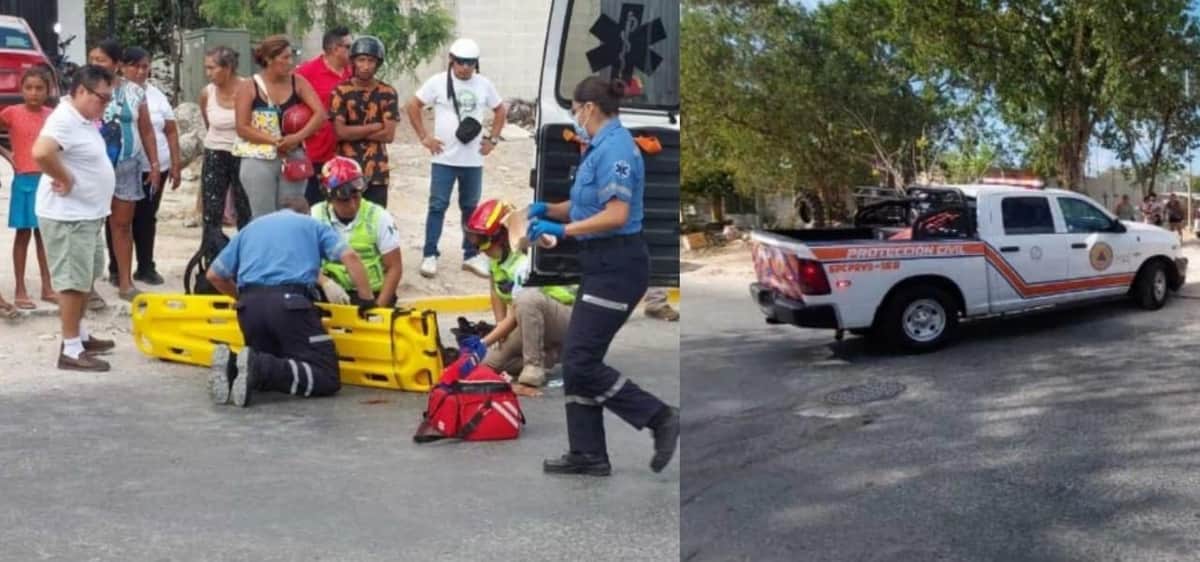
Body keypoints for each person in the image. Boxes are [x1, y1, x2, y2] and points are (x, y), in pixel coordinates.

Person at [525, 77, 679, 476]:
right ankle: (588, 452)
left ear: (589, 108)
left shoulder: (616, 150)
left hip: (618, 266)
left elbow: (615, 215)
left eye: (575, 109)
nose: (574, 116)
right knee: (582, 356)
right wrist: (546, 210)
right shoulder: (599, 147)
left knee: (578, 360)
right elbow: (583, 206)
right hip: (601, 265)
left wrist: (562, 232)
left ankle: (659, 417)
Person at [205, 197, 376, 407]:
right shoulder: (312, 224)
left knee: (275, 364)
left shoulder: (250, 229)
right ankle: (257, 365)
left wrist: (240, 298)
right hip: (290, 304)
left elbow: (214, 275)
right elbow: (350, 257)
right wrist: (367, 299)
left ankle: (232, 366)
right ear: (305, 213)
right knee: (325, 375)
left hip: (249, 309)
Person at [31, 64, 119, 371]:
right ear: (82, 91)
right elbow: (41, 152)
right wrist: (65, 178)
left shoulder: (83, 117)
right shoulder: (65, 119)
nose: (106, 104)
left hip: (87, 213)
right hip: (69, 216)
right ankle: (70, 348)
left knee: (83, 277)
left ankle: (79, 336)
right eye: (103, 98)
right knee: (71, 282)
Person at [405, 38, 507, 279]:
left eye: (470, 62)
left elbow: (501, 110)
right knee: (437, 206)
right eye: (461, 62)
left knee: (470, 208)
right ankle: (430, 254)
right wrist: (424, 137)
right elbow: (412, 105)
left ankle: (470, 254)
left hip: (472, 160)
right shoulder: (438, 82)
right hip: (444, 158)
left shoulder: (484, 84)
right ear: (451, 59)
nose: (465, 67)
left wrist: (492, 140)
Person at [463, 199, 576, 398]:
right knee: (491, 365)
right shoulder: (497, 261)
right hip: (534, 320)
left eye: (481, 239)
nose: (477, 247)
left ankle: (534, 368)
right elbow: (496, 294)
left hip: (567, 319)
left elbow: (515, 315)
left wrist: (483, 342)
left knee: (527, 299)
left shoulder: (522, 264)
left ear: (500, 237)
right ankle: (548, 355)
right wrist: (499, 333)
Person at [104, 47, 181, 286]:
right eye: (134, 66)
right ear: (122, 67)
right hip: (123, 165)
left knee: (147, 218)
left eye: (144, 66)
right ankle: (117, 268)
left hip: (153, 167)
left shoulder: (157, 96)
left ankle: (146, 266)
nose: (140, 71)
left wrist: (175, 165)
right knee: (118, 219)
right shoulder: (111, 93)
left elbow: (170, 130)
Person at [90, 41, 161, 302]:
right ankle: (88, 288)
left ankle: (125, 283)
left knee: (122, 226)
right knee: (90, 226)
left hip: (127, 165)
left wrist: (153, 165)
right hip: (93, 168)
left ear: (117, 63)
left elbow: (146, 130)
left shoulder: (134, 91)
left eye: (101, 59)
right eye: (93, 59)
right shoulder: (83, 89)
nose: (95, 64)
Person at [233, 35, 327, 220]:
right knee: (262, 215)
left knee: (291, 213)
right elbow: (242, 127)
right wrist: (275, 141)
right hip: (258, 158)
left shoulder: (297, 82)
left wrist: (297, 137)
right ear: (268, 59)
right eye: (284, 57)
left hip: (293, 156)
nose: (290, 62)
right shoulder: (249, 86)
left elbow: (320, 114)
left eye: (291, 56)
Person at [310, 157, 403, 307]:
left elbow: (394, 268)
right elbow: (303, 261)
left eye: (356, 197)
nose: (352, 205)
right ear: (329, 198)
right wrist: (325, 283)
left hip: (371, 295)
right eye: (344, 200)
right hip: (331, 292)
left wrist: (378, 309)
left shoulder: (379, 217)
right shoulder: (315, 216)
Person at [0, 66, 55, 315]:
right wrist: (8, 155)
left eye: (39, 88)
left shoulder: (52, 115)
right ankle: (20, 288)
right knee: (23, 235)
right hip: (23, 181)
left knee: (45, 236)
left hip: (47, 182)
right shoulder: (11, 113)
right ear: (21, 90)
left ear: (48, 90)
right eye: (29, 88)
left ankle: (47, 286)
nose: (34, 93)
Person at [331, 36, 397, 208]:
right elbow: (340, 132)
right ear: (353, 61)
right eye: (361, 60)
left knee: (375, 222)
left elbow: (389, 135)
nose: (366, 66)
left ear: (378, 63)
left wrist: (353, 131)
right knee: (344, 220)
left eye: (371, 61)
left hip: (377, 172)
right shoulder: (341, 91)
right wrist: (375, 126)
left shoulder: (387, 92)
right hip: (345, 170)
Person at [296, 26, 353, 207]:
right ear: (335, 49)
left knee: (341, 205)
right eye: (349, 46)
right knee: (313, 206)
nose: (353, 51)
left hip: (346, 152)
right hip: (315, 152)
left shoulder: (354, 74)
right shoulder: (306, 72)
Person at [198, 46, 251, 230]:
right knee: (212, 211)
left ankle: (246, 252)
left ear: (227, 68)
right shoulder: (207, 93)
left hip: (243, 153)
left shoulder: (249, 88)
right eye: (206, 68)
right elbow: (208, 123)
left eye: (212, 68)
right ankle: (213, 253)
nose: (208, 73)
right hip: (215, 152)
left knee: (245, 209)